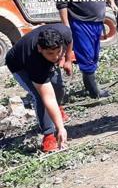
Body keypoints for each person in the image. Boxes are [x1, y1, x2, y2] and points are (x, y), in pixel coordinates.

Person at [56, 0, 118, 99]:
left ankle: (90, 86)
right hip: (80, 23)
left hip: (97, 23)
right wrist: (66, 25)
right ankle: (94, 91)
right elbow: (62, 4)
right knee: (87, 56)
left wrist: (113, 3)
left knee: (94, 55)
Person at [5, 24, 73, 152]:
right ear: (40, 48)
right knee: (40, 97)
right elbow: (48, 97)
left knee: (58, 87)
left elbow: (69, 41)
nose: (55, 57)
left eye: (58, 51)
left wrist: (67, 59)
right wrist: (61, 128)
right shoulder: (34, 61)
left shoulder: (64, 33)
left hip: (41, 60)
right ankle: (48, 136)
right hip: (19, 65)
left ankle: (57, 111)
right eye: (51, 53)